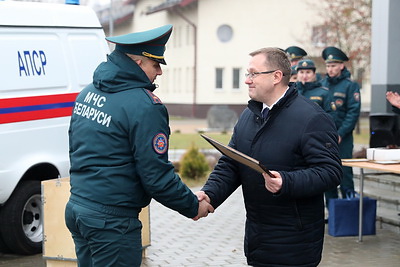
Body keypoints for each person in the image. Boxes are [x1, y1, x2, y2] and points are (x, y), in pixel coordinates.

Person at [65, 24, 213, 267]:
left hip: (79, 208)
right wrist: (192, 205)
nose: (160, 72)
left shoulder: (88, 93)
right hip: (111, 222)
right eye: (156, 64)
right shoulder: (145, 106)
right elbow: (156, 176)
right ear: (139, 63)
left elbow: (76, 147)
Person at [196, 47, 342, 266]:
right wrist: (209, 195)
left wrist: (286, 182)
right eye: (248, 74)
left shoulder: (311, 118)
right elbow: (231, 163)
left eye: (254, 74)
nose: (247, 80)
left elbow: (330, 172)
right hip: (258, 238)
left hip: (294, 244)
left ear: (276, 76)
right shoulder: (249, 115)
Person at [321, 46, 361, 208]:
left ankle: (348, 210)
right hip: (325, 137)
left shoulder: (350, 86)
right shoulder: (322, 84)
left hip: (342, 138)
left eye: (334, 66)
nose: (330, 69)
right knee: (327, 172)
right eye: (328, 66)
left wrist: (340, 133)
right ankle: (332, 213)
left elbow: (353, 113)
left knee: (345, 173)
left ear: (341, 66)